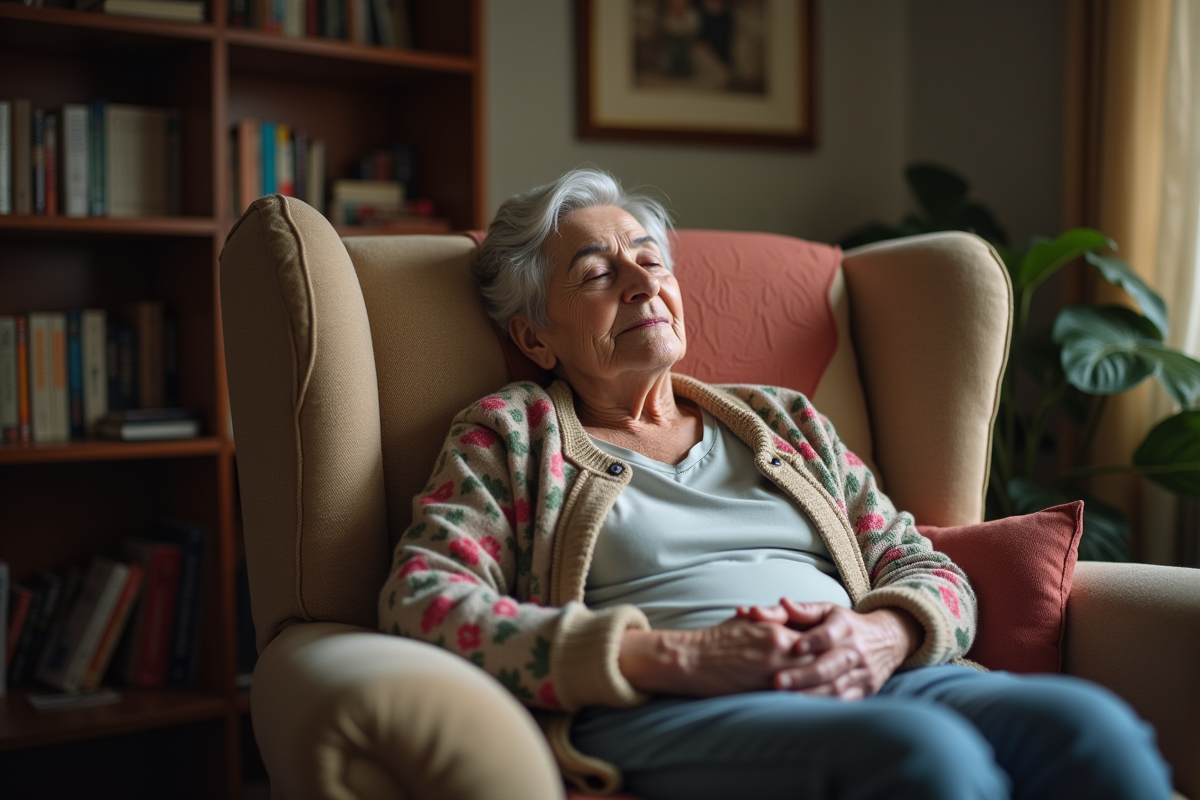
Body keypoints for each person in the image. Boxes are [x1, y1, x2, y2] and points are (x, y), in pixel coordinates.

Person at [377, 167, 1172, 799]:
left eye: (651, 260)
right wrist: (679, 657)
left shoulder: (782, 421)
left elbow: (921, 563)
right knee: (919, 758)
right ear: (533, 336)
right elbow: (424, 599)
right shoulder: (510, 434)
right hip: (668, 707)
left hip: (869, 676)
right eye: (596, 273)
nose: (641, 282)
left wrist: (881, 636)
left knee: (1088, 726)